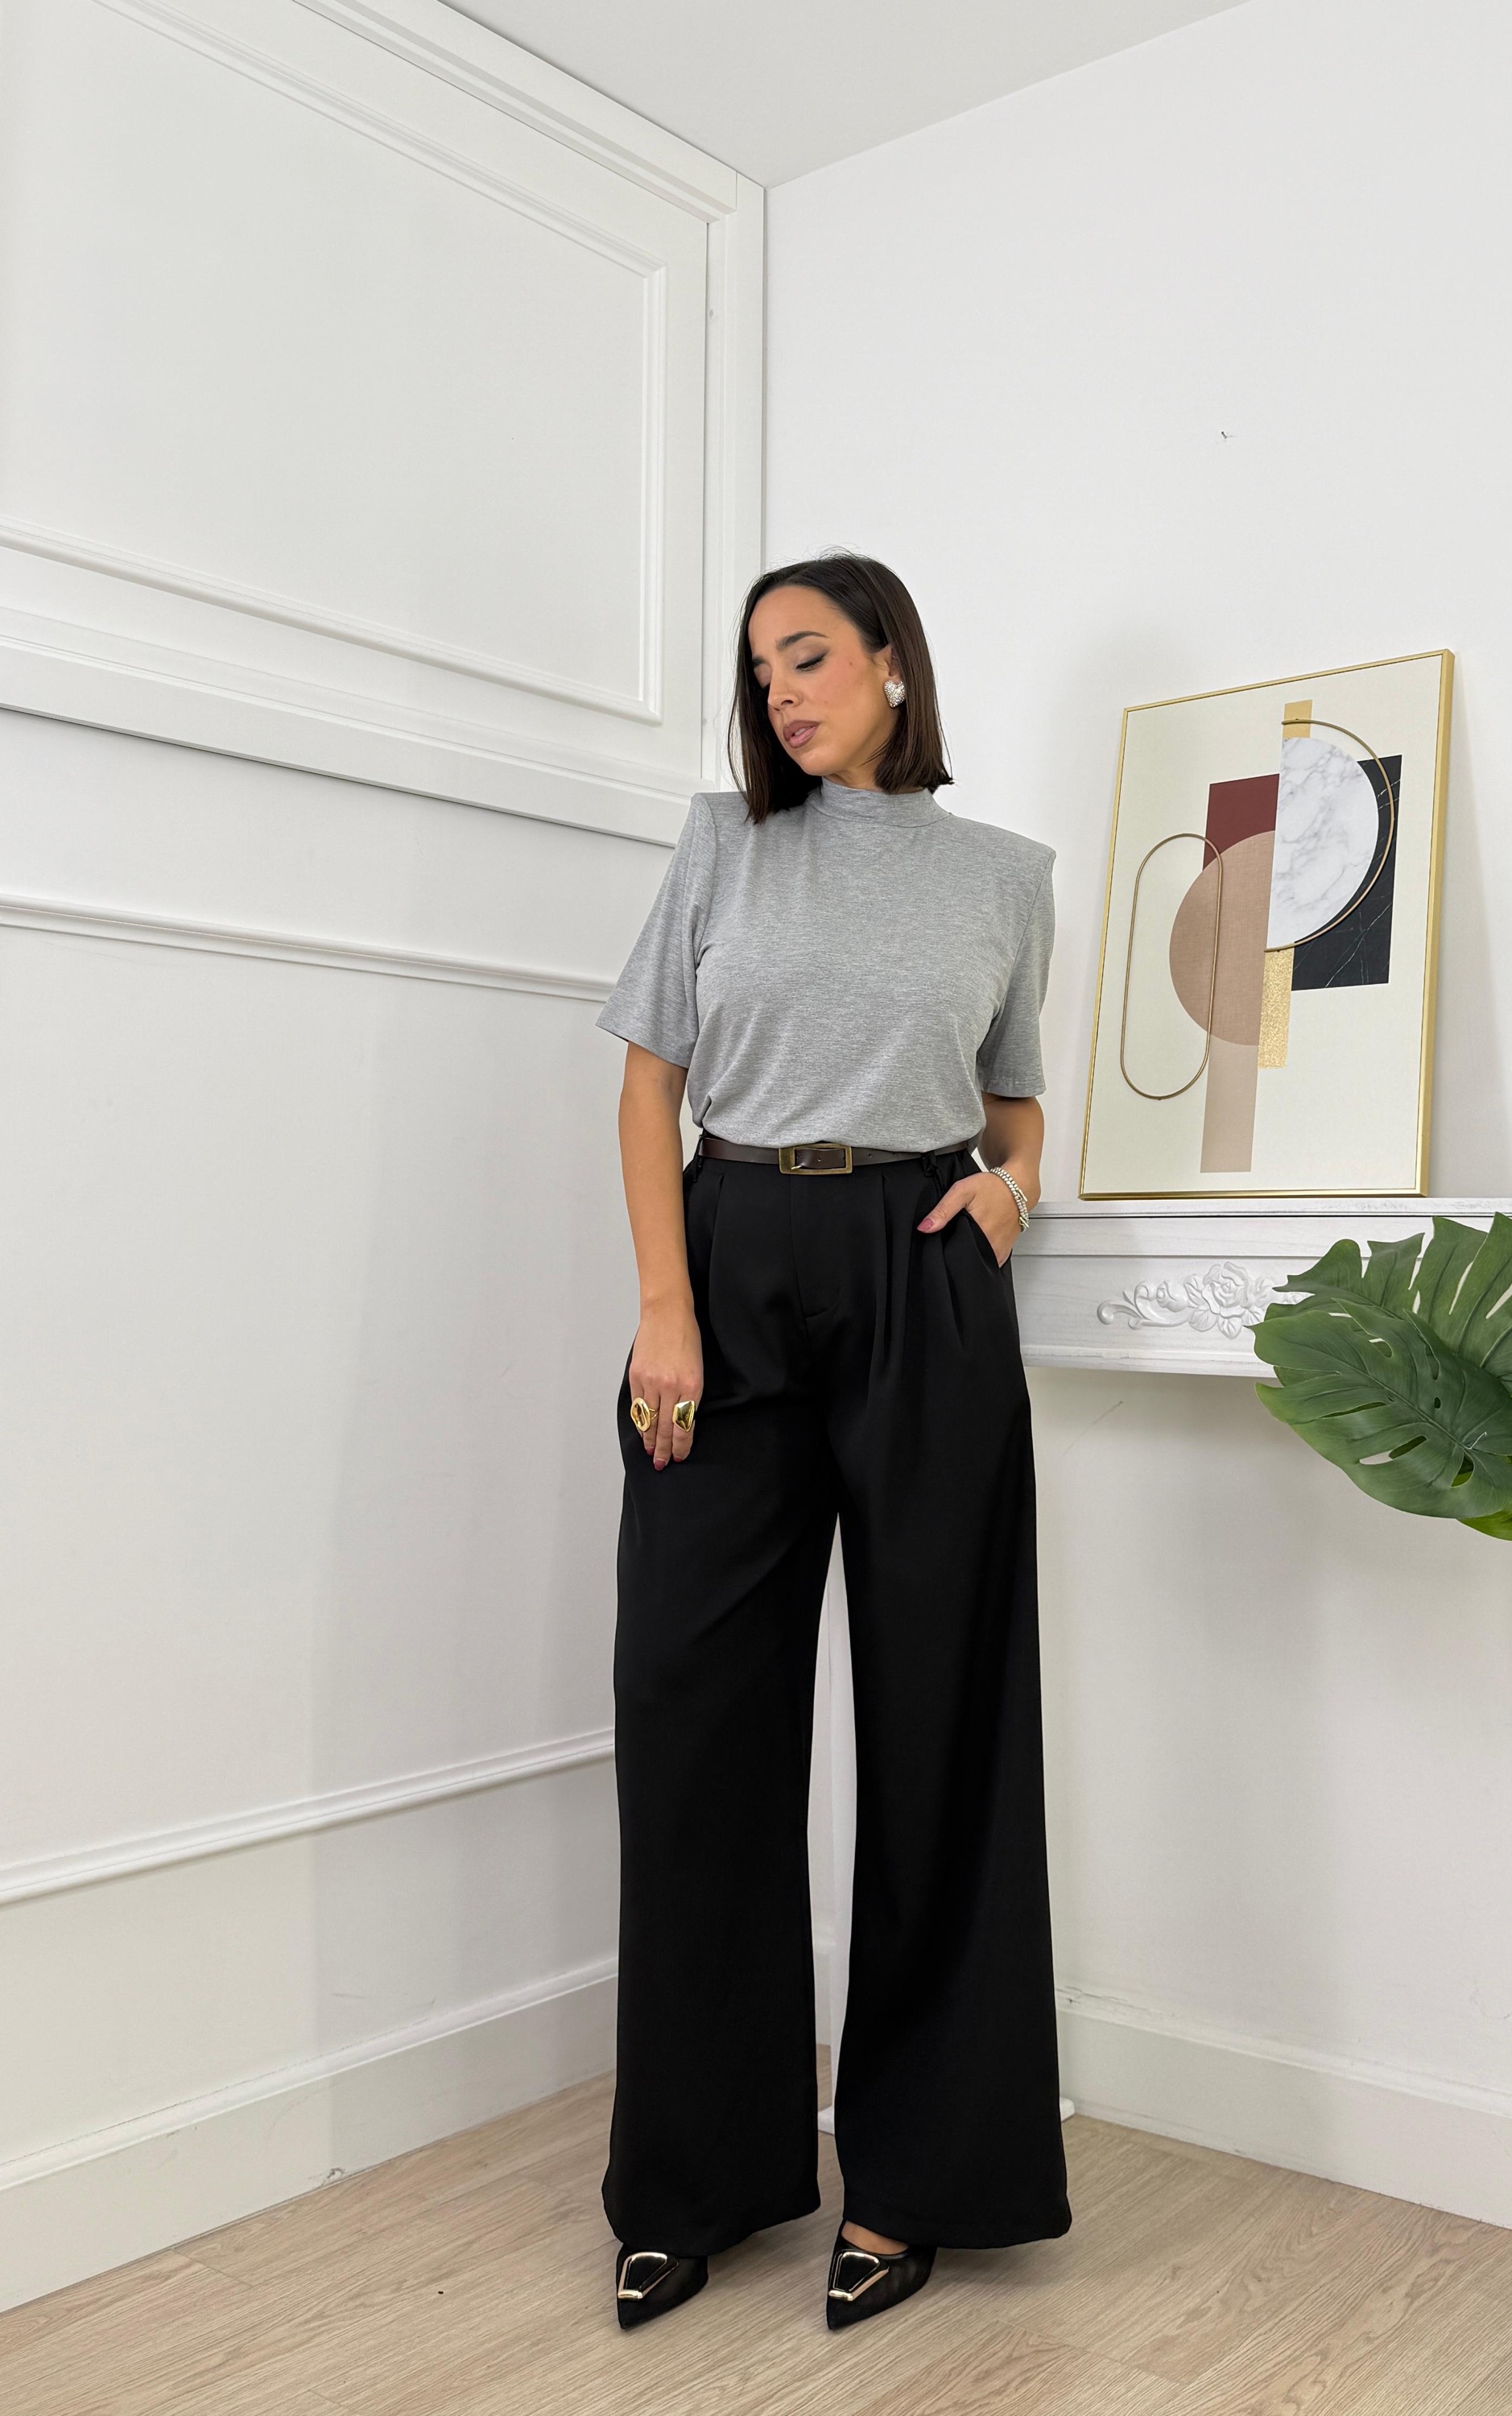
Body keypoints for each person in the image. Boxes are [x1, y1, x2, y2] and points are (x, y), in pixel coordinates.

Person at [594, 552, 1070, 2336]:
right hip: (729, 1258)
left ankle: (919, 2180)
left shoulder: (1004, 875)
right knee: (692, 1707)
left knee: (944, 1714)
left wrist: (1013, 1189)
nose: (780, 691)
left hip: (921, 1266)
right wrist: (665, 1308)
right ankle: (692, 2178)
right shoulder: (724, 842)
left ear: (891, 663)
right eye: (760, 670)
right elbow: (649, 1080)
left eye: (807, 656)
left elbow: (1014, 1094)